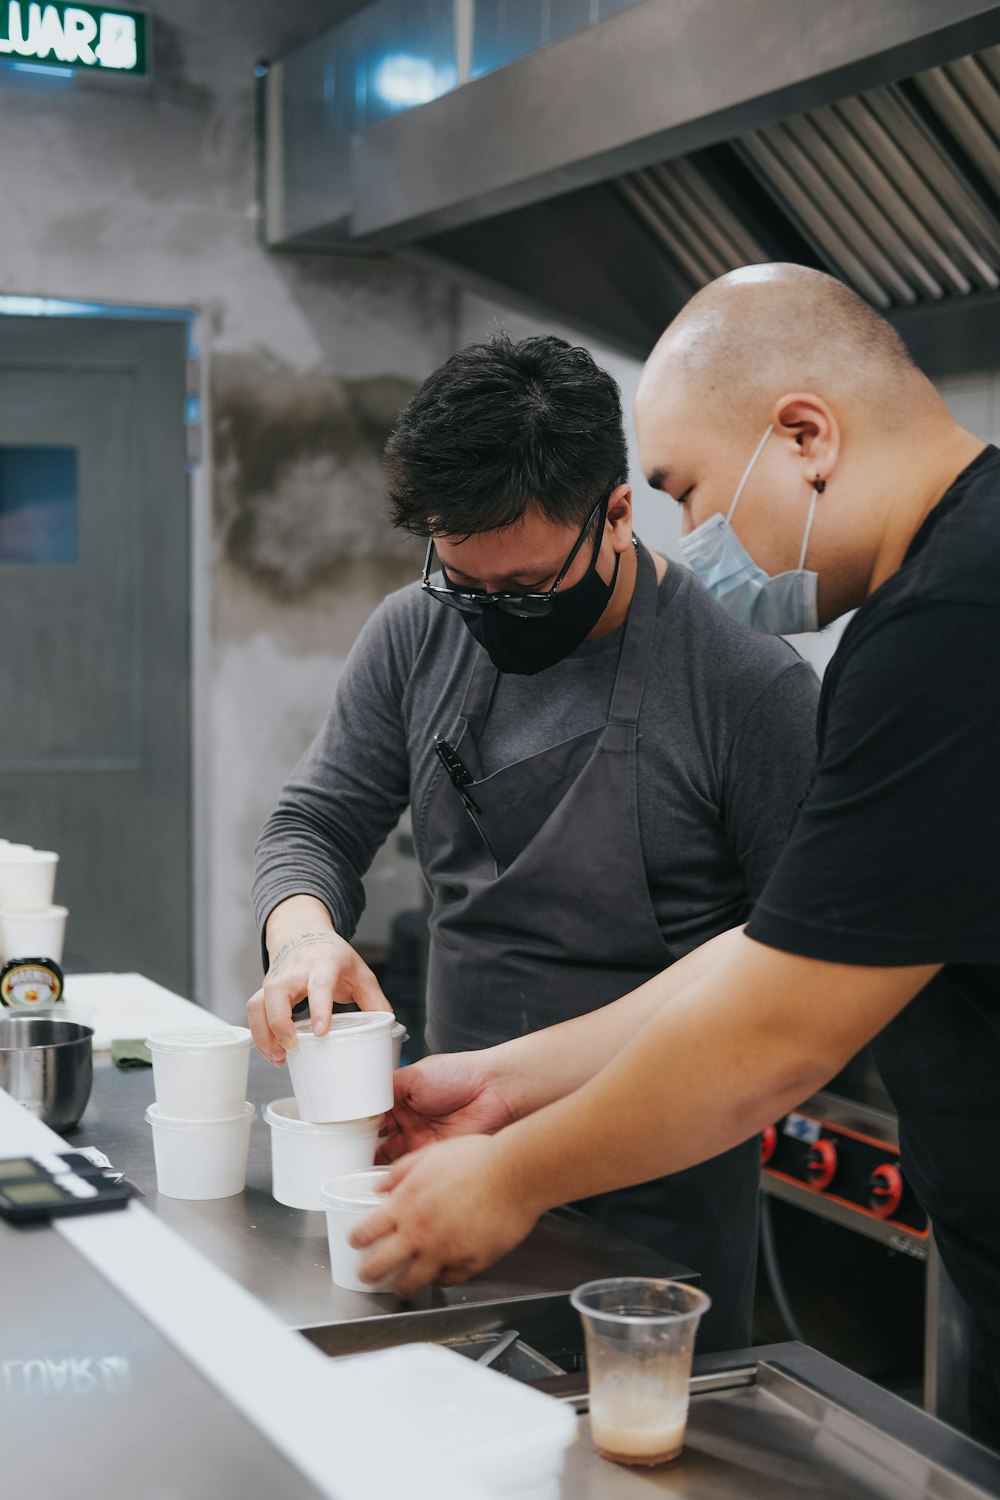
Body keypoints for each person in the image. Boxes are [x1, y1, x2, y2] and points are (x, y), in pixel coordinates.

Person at [350, 266, 1000, 1446]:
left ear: (803, 436)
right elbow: (774, 951)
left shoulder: (952, 626)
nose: (695, 543)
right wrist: (504, 1085)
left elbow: (781, 1030)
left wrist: (509, 1176)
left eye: (688, 491)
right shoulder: (933, 606)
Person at [250, 332, 820, 1352]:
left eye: (520, 592)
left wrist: (533, 1155)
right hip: (439, 1156)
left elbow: (798, 974)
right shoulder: (416, 633)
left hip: (656, 1207)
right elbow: (314, 822)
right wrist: (301, 938)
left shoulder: (746, 687)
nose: (487, 616)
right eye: (462, 583)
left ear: (615, 513)